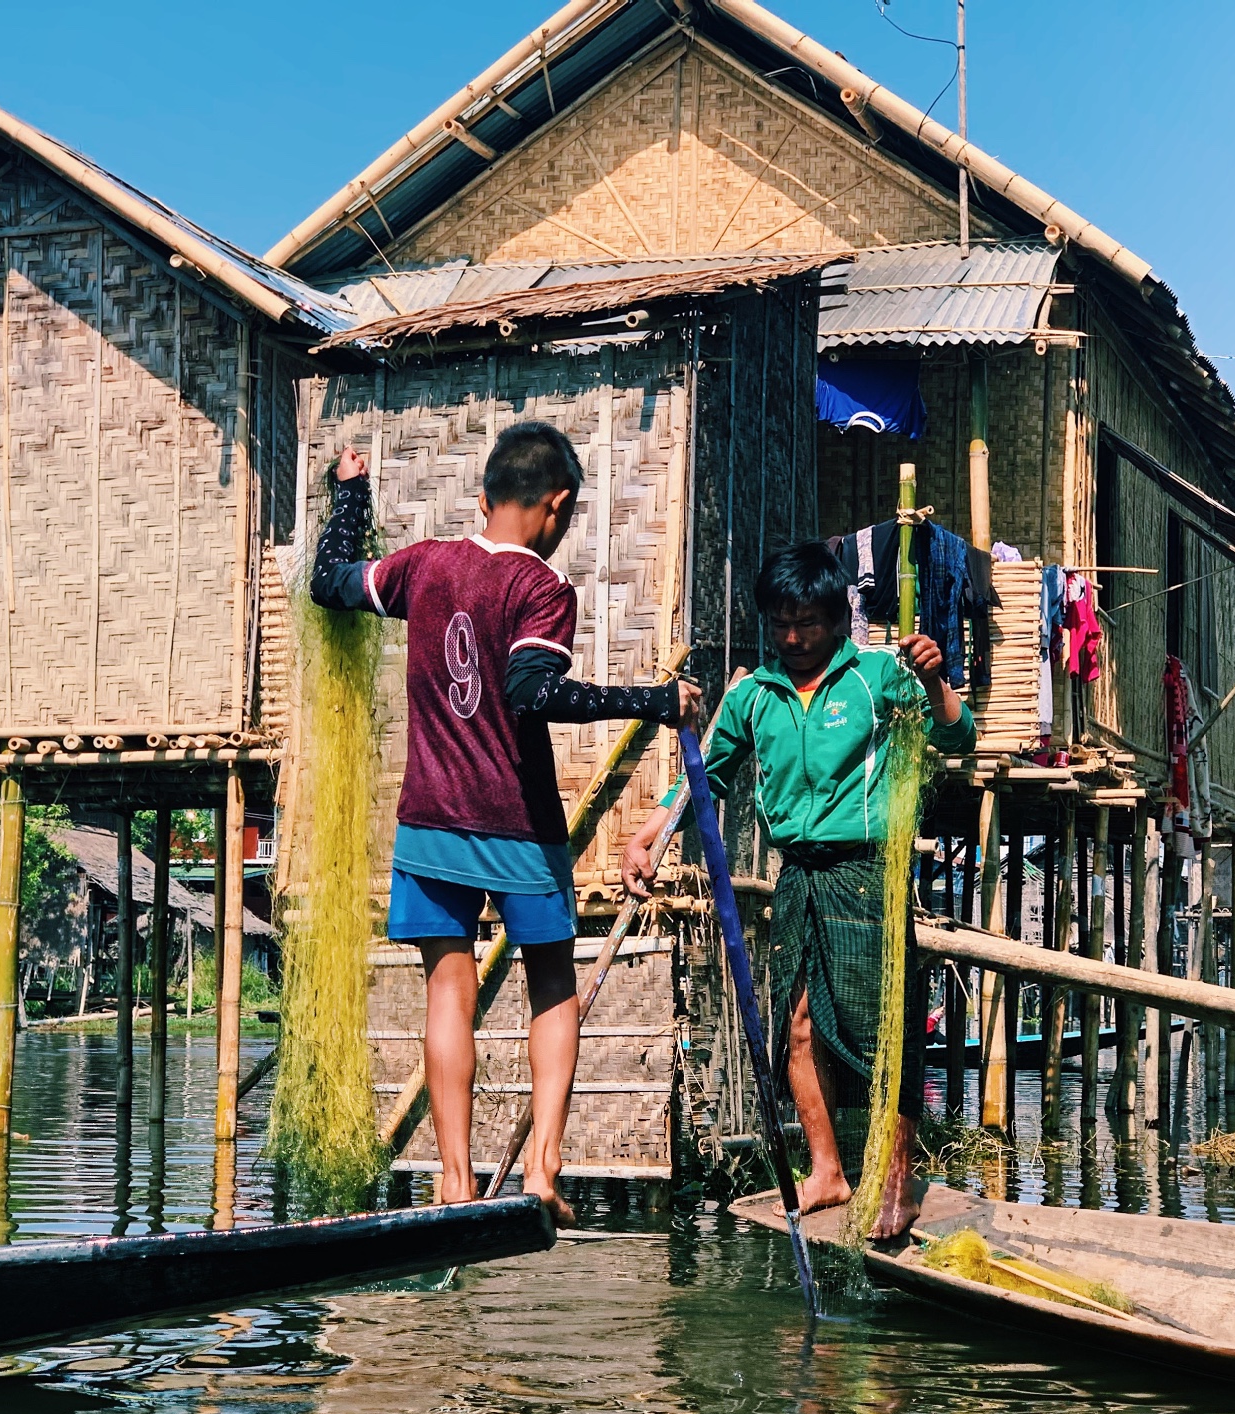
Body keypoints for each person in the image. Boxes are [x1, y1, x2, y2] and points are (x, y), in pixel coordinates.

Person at [311, 421, 703, 1224]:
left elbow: (330, 582)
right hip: (517, 825)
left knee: (445, 993)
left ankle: (453, 1182)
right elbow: (534, 692)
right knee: (552, 986)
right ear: (556, 507)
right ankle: (543, 1175)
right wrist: (654, 703)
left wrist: (350, 497)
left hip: (429, 823)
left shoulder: (423, 567)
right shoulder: (541, 590)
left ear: (484, 496)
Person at [620, 541, 974, 1239]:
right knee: (799, 1026)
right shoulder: (754, 695)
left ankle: (896, 1178)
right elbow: (705, 774)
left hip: (867, 873)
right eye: (781, 622)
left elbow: (958, 736)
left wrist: (935, 681)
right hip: (799, 876)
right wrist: (653, 832)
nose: (793, 637)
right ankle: (828, 1170)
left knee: (883, 1034)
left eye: (807, 622)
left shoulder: (879, 675)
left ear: (837, 618)